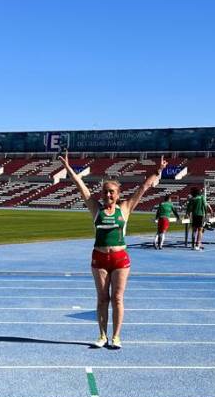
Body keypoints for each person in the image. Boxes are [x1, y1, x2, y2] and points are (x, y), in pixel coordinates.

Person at [61, 150, 166, 349]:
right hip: (99, 259)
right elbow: (81, 187)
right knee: (102, 298)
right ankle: (102, 335)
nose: (108, 195)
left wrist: (158, 170)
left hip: (119, 259)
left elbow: (143, 187)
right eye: (105, 192)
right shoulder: (95, 208)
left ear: (118, 195)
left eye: (112, 192)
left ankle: (116, 336)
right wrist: (68, 169)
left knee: (117, 298)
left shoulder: (125, 208)